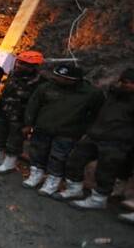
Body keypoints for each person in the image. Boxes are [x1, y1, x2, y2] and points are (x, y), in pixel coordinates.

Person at [23, 64, 105, 196]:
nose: (56, 78)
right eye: (56, 75)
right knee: (38, 152)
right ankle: (36, 174)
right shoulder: (46, 87)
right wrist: (29, 123)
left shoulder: (91, 94)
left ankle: (52, 181)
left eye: (61, 77)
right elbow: (33, 104)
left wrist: (85, 130)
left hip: (68, 132)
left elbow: (97, 114)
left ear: (72, 80)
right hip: (43, 127)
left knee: (58, 157)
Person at [57, 68, 133, 209]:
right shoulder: (114, 94)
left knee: (106, 171)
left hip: (117, 141)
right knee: (75, 159)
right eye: (123, 81)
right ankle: (75, 188)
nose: (124, 85)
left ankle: (99, 199)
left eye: (128, 83)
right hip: (95, 134)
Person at [0, 51, 44, 175]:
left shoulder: (39, 82)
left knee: (14, 140)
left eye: (25, 64)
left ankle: (9, 163)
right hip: (4, 110)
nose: (20, 66)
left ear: (34, 67)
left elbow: (36, 103)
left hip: (20, 116)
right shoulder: (13, 74)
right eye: (20, 62)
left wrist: (29, 122)